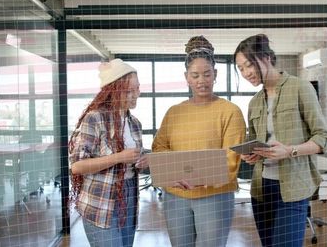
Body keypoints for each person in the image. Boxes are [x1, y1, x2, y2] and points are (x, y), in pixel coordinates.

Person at [233, 34, 327, 247]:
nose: (246, 73)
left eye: (249, 65)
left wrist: (290, 151)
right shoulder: (254, 102)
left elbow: (324, 138)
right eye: (240, 68)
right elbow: (255, 139)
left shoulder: (300, 88)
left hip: (292, 189)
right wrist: (249, 153)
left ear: (266, 57)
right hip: (261, 189)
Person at [152, 36, 246, 247]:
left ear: (215, 75)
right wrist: (175, 175)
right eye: (195, 75)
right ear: (186, 77)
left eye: (207, 74)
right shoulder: (174, 112)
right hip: (176, 196)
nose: (201, 80)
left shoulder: (230, 111)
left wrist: (203, 177)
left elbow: (232, 156)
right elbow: (159, 146)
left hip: (215, 195)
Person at [68, 59, 149, 247]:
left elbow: (133, 158)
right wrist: (119, 157)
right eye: (128, 91)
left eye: (137, 88)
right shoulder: (95, 118)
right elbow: (77, 166)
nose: (135, 95)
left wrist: (144, 160)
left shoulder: (134, 123)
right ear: (112, 91)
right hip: (100, 201)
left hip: (129, 196)